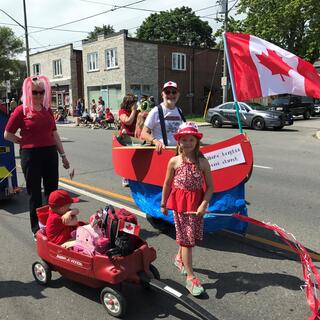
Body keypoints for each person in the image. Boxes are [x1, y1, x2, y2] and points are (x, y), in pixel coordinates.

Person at [4, 75, 70, 239]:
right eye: (35, 92)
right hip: (31, 155)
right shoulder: (22, 110)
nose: (39, 95)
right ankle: (37, 229)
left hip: (49, 153)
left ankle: (53, 225)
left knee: (52, 193)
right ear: (28, 92)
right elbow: (7, 134)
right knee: (35, 193)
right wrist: (21, 141)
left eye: (41, 92)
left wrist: (63, 155)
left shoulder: (47, 111)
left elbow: (54, 134)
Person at [160, 122, 213, 296]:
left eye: (191, 139)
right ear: (178, 142)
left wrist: (204, 203)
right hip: (180, 206)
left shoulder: (203, 163)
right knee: (187, 241)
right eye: (184, 139)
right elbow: (167, 183)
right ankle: (190, 277)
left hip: (196, 205)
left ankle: (179, 258)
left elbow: (210, 187)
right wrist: (163, 203)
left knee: (189, 236)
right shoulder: (174, 161)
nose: (188, 143)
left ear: (197, 141)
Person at [141, 81, 185, 152]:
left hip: (178, 152)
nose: (171, 94)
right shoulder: (156, 111)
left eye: (174, 92)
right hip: (162, 153)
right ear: (162, 95)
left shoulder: (179, 111)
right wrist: (155, 142)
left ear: (178, 95)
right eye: (167, 92)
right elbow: (143, 133)